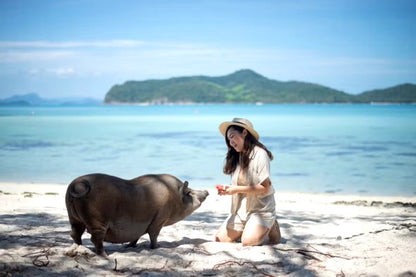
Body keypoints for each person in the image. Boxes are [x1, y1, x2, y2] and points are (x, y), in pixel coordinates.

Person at [215, 118, 281, 246]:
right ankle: (251, 227)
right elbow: (238, 186)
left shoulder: (260, 154)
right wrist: (227, 190)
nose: (231, 142)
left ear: (244, 133)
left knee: (248, 242)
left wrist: (236, 189)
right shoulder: (237, 156)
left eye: (233, 136)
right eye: (228, 139)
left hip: (260, 210)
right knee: (220, 239)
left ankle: (271, 224)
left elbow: (264, 188)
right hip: (241, 210)